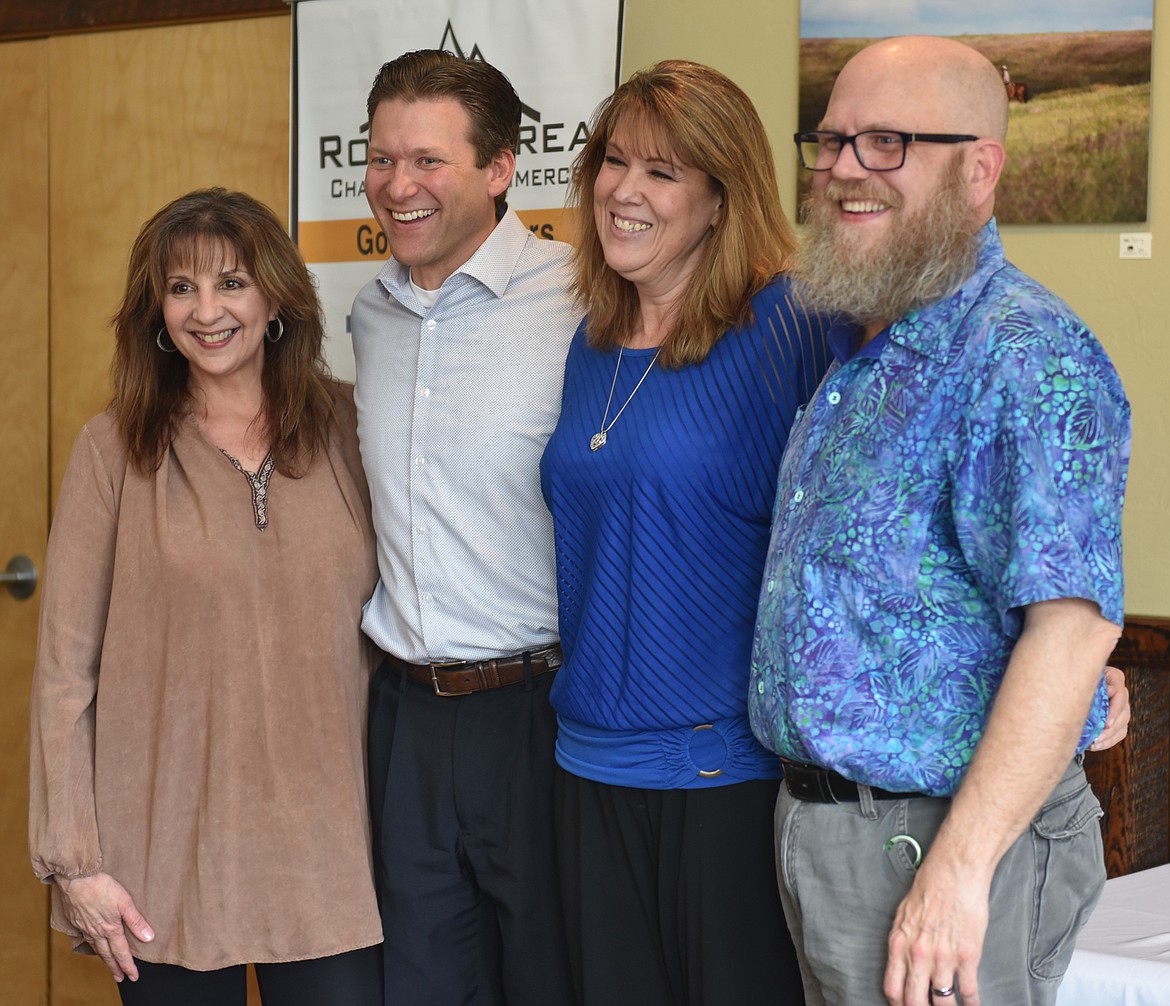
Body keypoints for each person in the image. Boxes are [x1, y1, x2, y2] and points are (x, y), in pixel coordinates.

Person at [749, 35, 1131, 1006]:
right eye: (831, 140)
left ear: (980, 168)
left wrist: (958, 872)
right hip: (836, 831)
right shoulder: (858, 345)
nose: (842, 169)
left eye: (886, 143)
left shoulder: (1024, 356)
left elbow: (1075, 625)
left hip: (943, 846)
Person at [28, 188, 382, 1004]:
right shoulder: (113, 448)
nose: (207, 309)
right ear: (157, 311)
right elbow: (63, 675)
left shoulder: (348, 428)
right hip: (163, 866)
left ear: (275, 300)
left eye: (231, 282)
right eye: (181, 288)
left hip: (331, 858)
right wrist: (76, 866)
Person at [539, 60, 831, 1005]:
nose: (624, 190)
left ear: (720, 199)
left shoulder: (793, 326)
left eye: (663, 172)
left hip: (724, 781)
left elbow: (881, 523)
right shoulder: (587, 338)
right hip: (584, 767)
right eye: (614, 161)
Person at [351, 51, 581, 1005]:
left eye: (429, 161)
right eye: (380, 159)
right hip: (402, 719)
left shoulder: (583, 299)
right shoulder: (368, 312)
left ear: (499, 169)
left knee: (553, 981)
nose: (397, 187)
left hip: (541, 716)